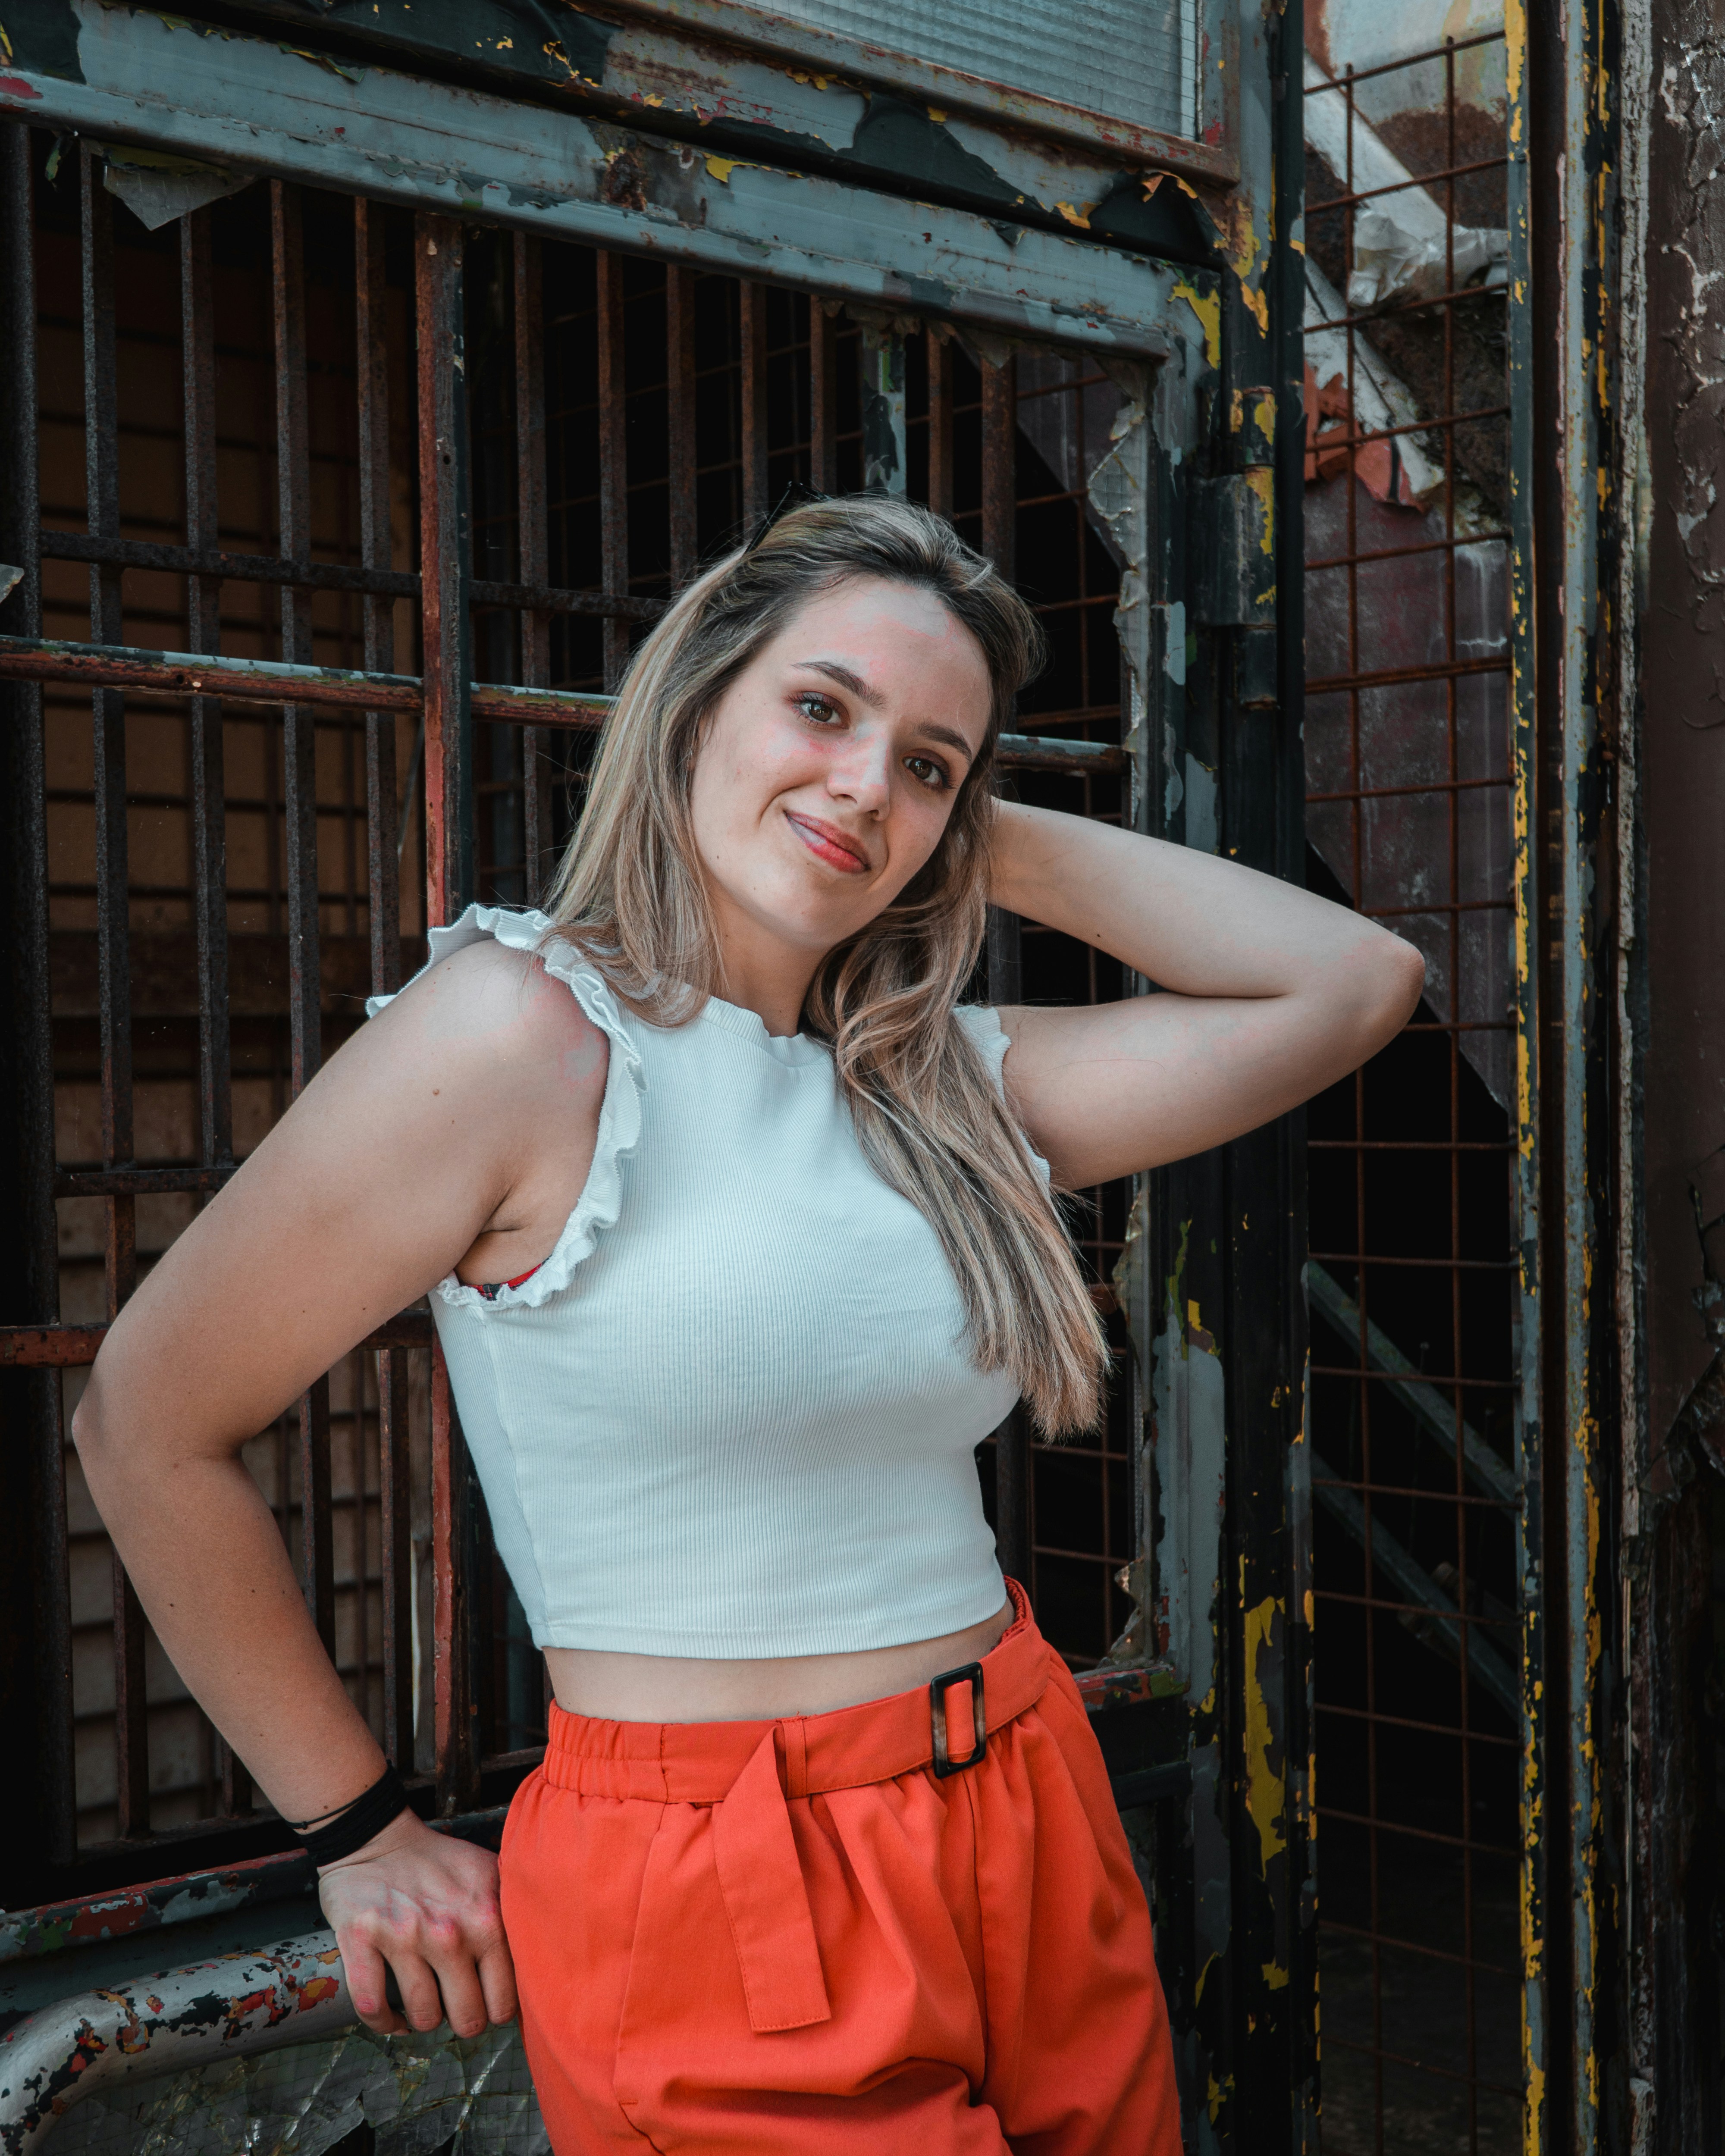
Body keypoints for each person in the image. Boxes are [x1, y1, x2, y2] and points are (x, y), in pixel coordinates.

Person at [74, 495, 1423, 2153]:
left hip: (1022, 1790)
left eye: (931, 759)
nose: (867, 777)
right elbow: (144, 1423)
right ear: (696, 697)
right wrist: (356, 1827)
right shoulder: (520, 1032)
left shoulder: (939, 1087)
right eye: (822, 707)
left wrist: (958, 823)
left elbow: (1350, 983)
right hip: (720, 1871)